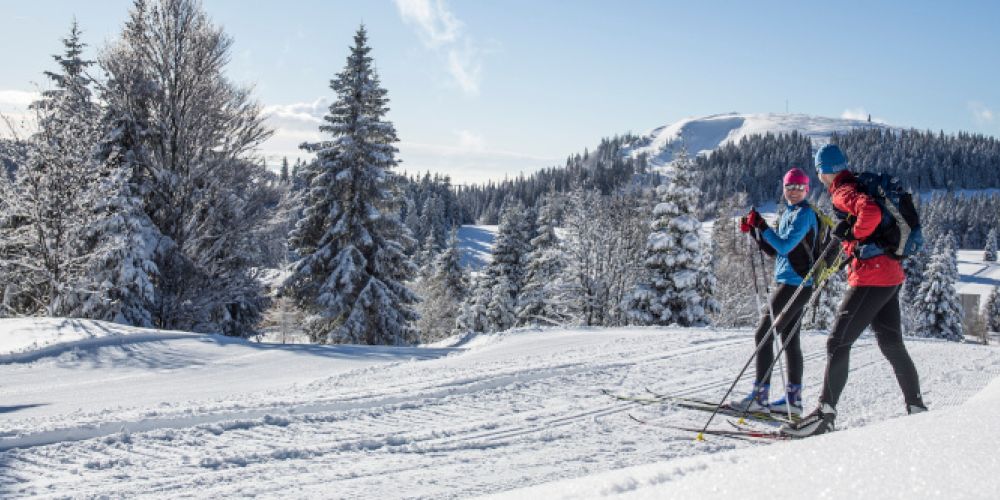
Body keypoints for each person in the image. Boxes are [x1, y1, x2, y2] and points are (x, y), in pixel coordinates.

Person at [781, 144, 926, 438]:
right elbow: (867, 216)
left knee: (837, 341)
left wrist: (853, 233)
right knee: (892, 344)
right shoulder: (858, 183)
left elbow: (869, 213)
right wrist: (850, 234)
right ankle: (917, 409)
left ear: (822, 171)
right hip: (890, 273)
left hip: (872, 276)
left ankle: (825, 414)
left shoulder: (842, 189)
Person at [730, 167, 820, 416]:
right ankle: (793, 401)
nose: (793, 192)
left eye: (799, 188)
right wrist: (757, 233)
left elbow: (784, 245)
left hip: (796, 284)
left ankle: (760, 397)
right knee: (789, 341)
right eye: (789, 187)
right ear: (784, 189)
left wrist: (763, 226)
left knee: (763, 334)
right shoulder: (789, 214)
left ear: (806, 189)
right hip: (793, 282)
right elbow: (778, 251)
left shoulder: (804, 214)